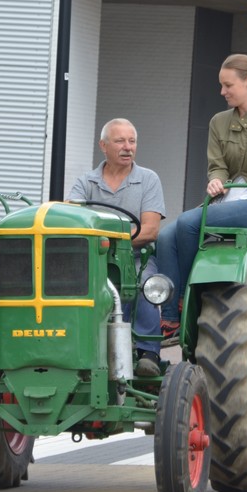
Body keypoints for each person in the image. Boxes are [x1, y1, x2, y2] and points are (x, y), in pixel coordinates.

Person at [156, 54, 247, 344]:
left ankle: (185, 298)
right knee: (164, 237)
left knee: (187, 223)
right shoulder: (219, 122)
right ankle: (169, 318)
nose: (222, 91)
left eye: (228, 85)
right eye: (221, 85)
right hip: (226, 199)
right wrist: (216, 179)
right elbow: (217, 166)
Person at [68, 118, 166, 377]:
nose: (128, 147)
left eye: (132, 141)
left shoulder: (148, 179)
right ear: (103, 145)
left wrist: (108, 242)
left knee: (144, 283)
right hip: (93, 258)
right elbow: (71, 221)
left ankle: (148, 352)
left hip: (135, 256)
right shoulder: (86, 182)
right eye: (120, 141)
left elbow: (150, 230)